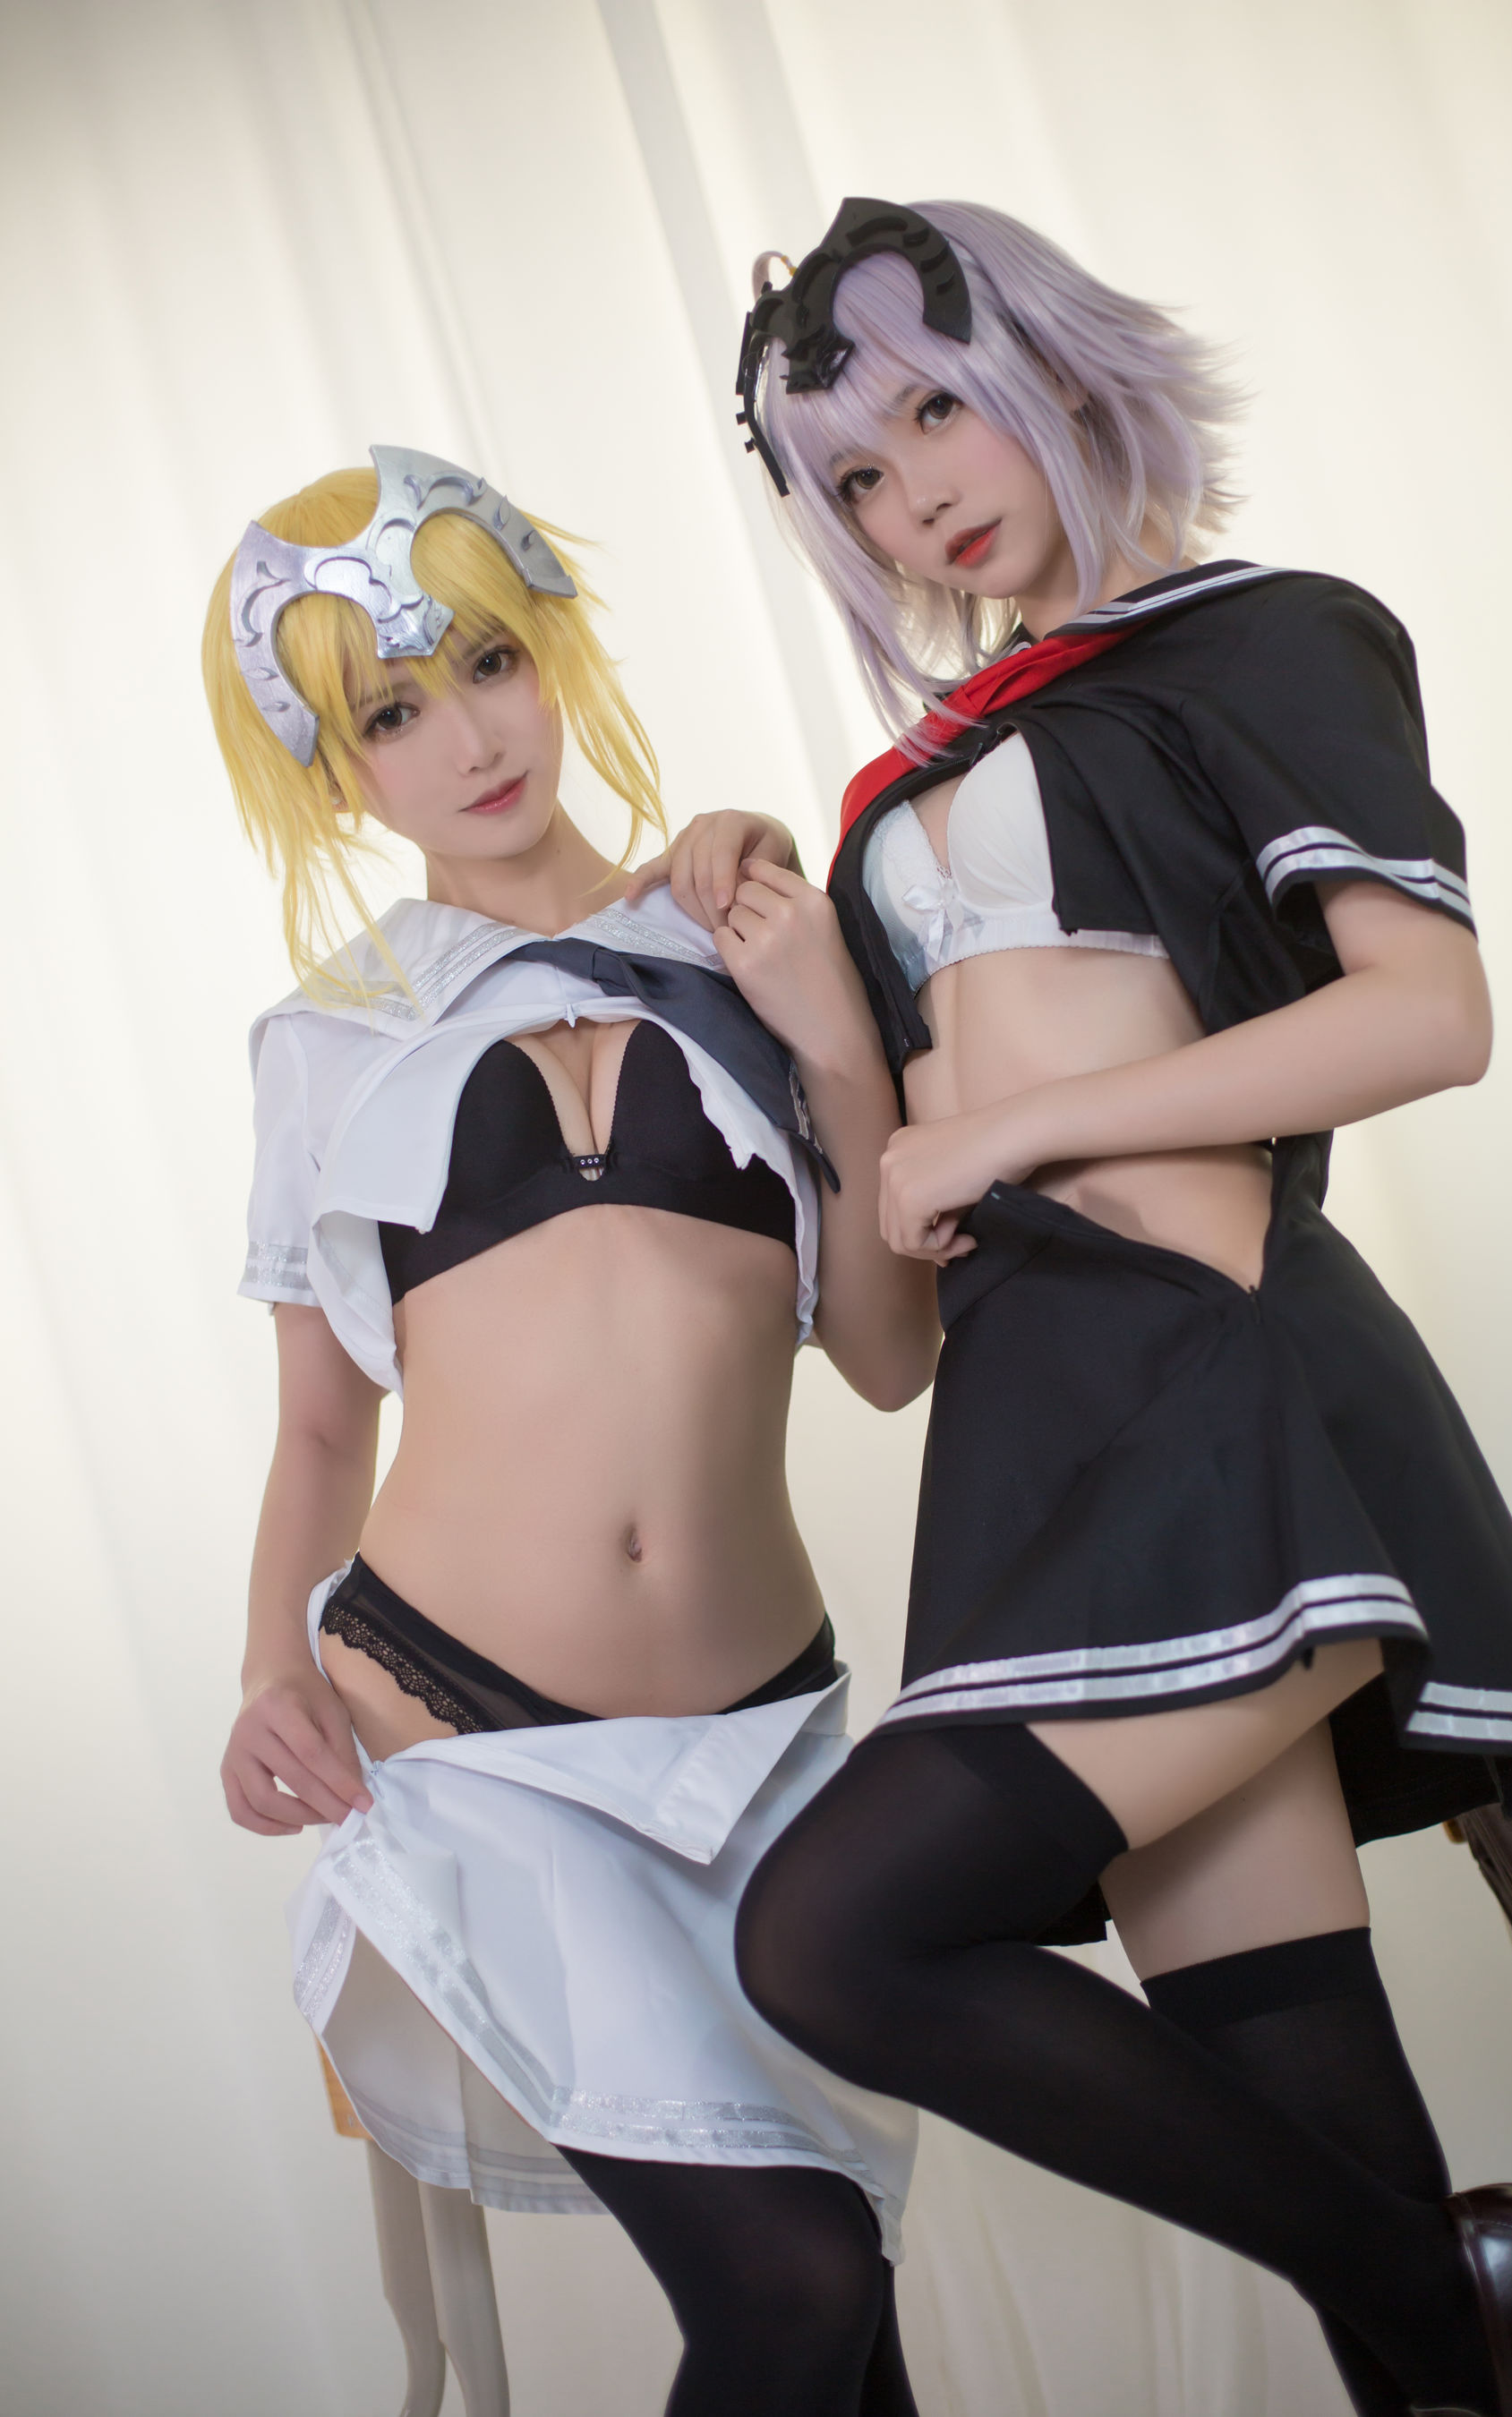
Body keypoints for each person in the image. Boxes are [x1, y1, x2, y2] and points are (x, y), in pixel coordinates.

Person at [638, 200, 1512, 2416]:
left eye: (935, 409)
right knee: (1328, 2134)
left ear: (1058, 366)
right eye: (856, 474)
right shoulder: (914, 783)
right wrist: (830, 1023)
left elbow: (1430, 1012)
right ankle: (1462, 2299)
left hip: (1222, 1412)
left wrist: (1014, 1133)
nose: (914, 493)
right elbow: (891, 1344)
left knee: (837, 1934)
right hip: (1032, 1454)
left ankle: (1467, 2274)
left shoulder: (1264, 641)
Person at [203, 446, 938, 2417]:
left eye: (488, 663)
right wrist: (269, 1669)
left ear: (554, 648)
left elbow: (888, 1355)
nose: (468, 739)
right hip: (473, 1744)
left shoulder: (753, 937)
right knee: (792, 2294)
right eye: (391, 712)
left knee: (843, 2311)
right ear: (332, 769)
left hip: (765, 1740)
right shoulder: (332, 1038)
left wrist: (835, 1033)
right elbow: (318, 1433)